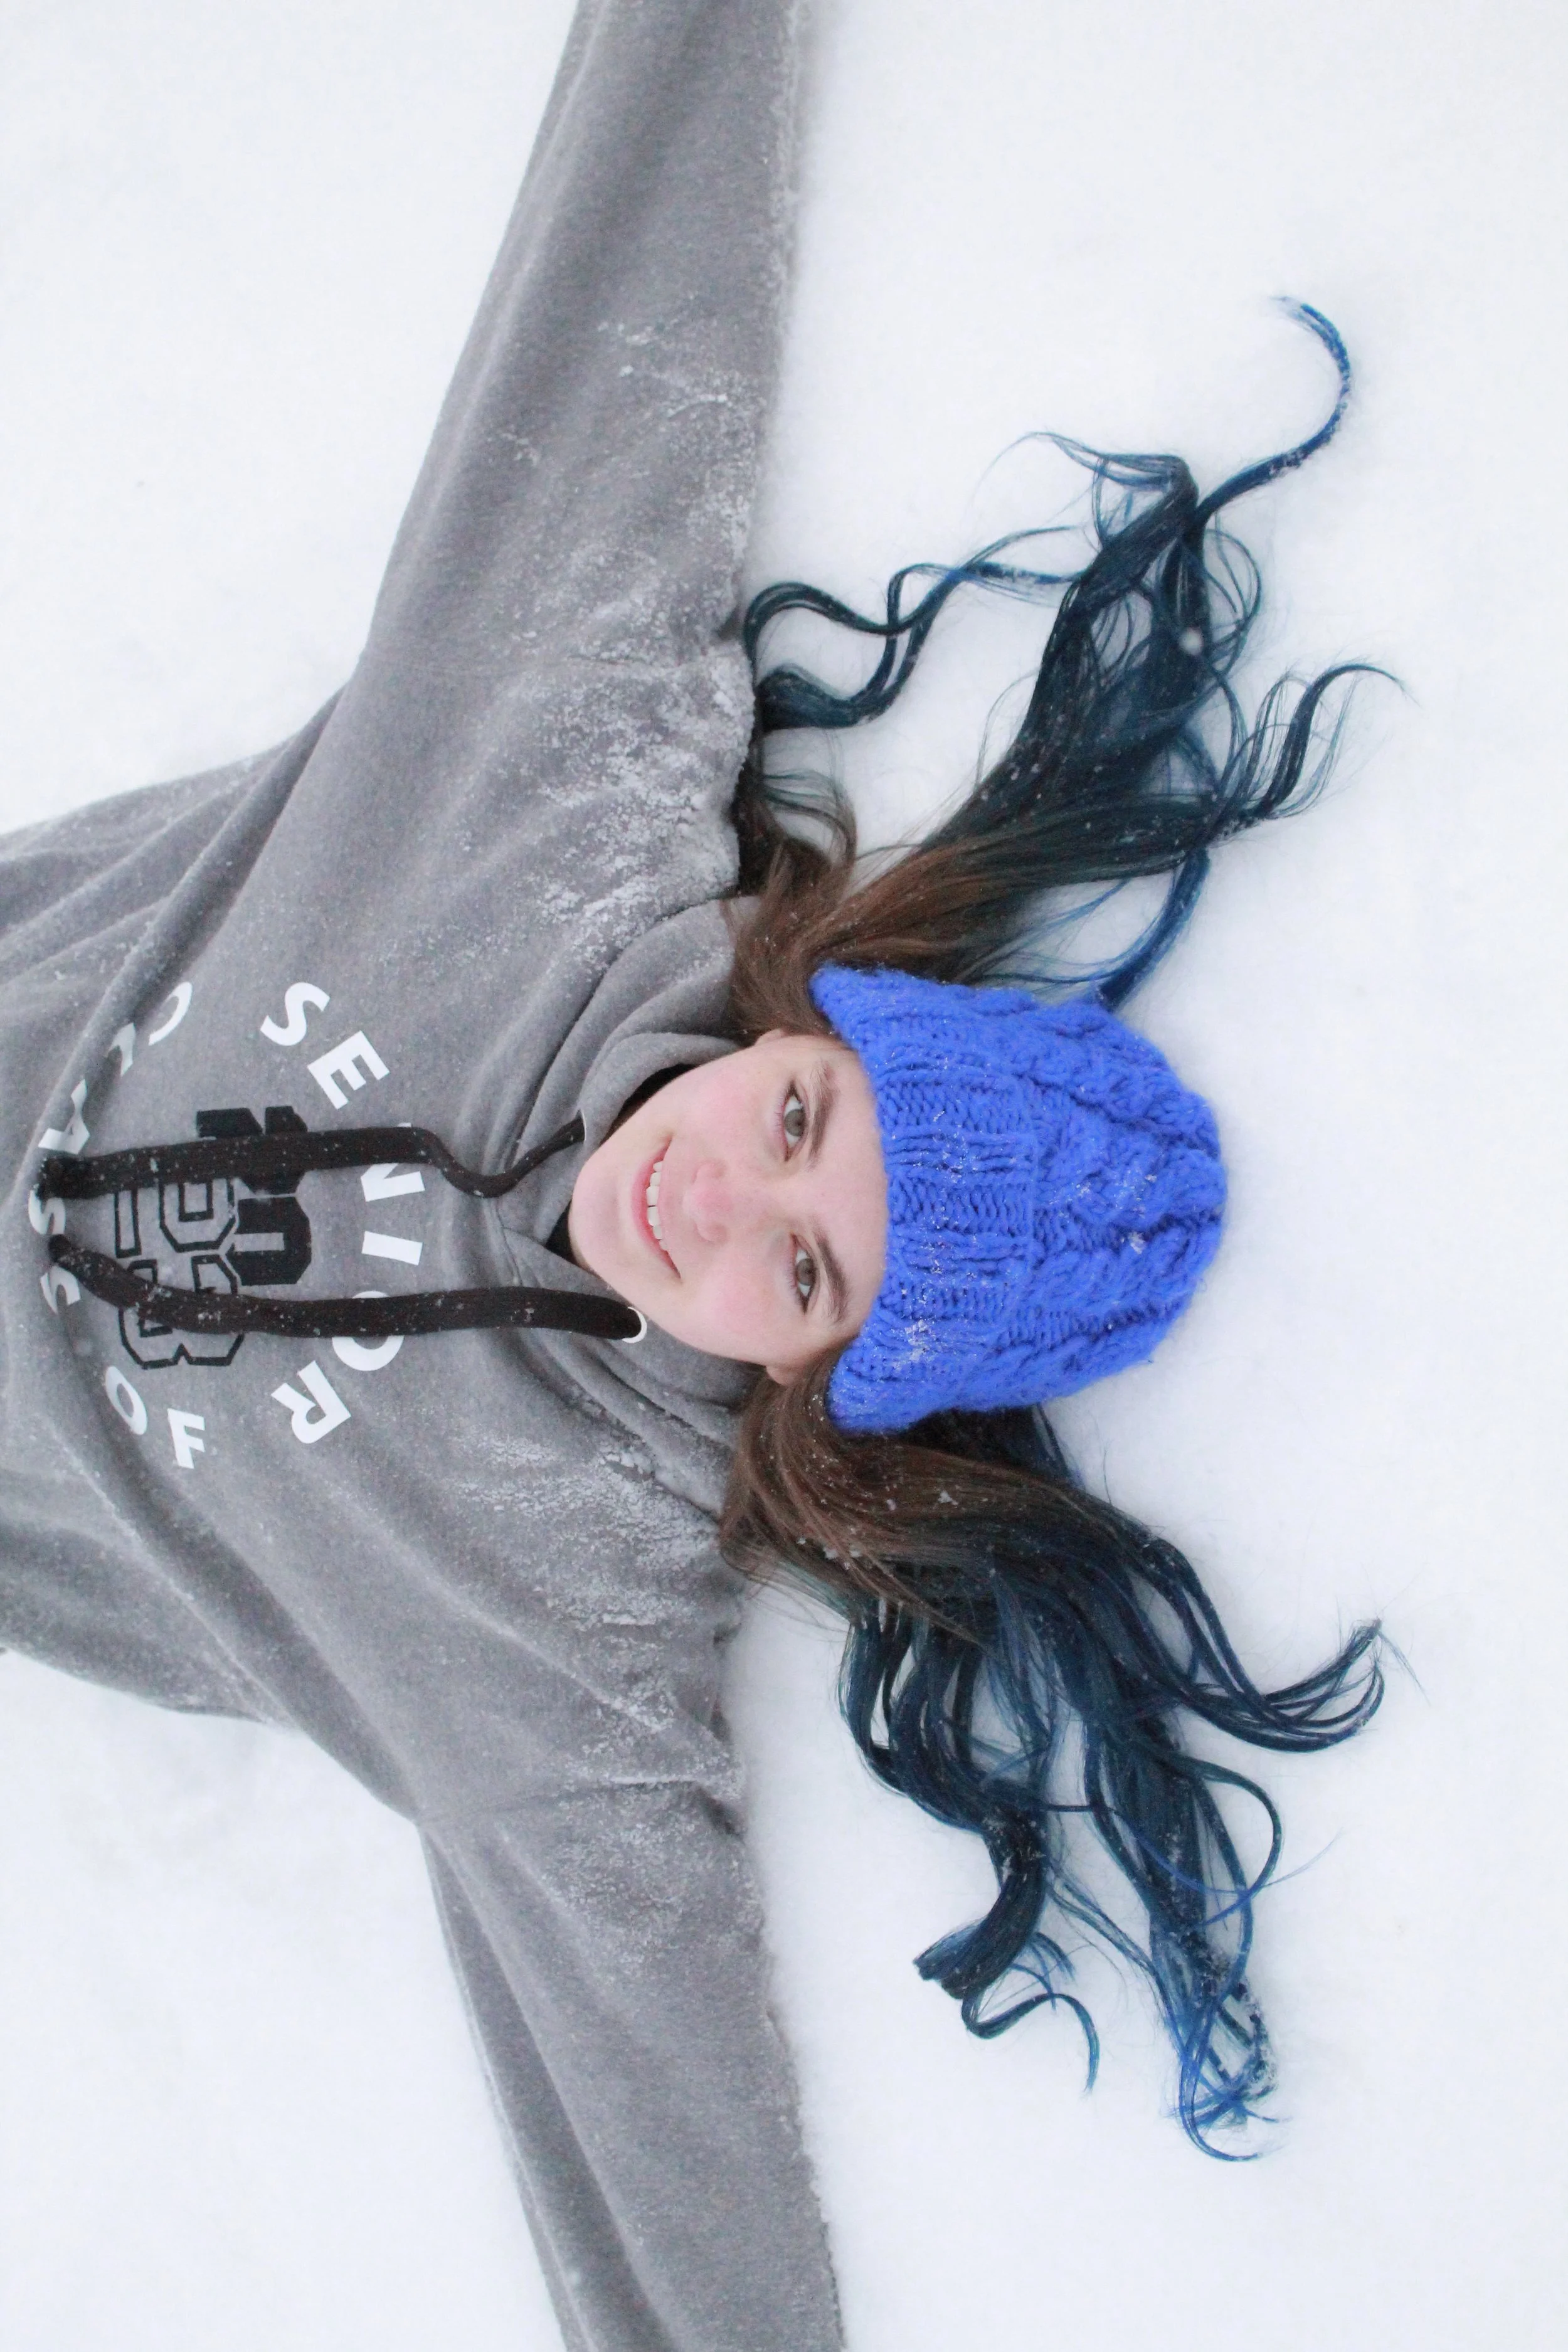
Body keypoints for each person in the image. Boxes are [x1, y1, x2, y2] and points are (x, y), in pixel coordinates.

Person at [3, 2, 1381, 2347]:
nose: (719, 1202)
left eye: (812, 1273)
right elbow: (629, 286)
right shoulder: (565, 792)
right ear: (813, 1029)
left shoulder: (569, 1645)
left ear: (837, 1388)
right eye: (800, 1122)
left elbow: (676, 2178)